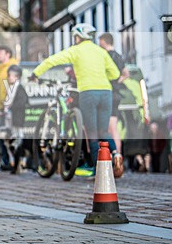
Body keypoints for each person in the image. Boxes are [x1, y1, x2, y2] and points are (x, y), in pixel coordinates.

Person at [31, 23, 122, 177]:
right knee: (103, 131)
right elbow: (115, 74)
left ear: (78, 37)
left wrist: (35, 74)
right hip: (106, 92)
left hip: (88, 92)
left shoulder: (75, 51)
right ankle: (116, 154)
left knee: (92, 132)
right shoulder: (101, 52)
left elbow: (51, 61)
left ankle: (97, 169)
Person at [99, 33, 125, 156]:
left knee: (105, 129)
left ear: (104, 41)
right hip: (116, 94)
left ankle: (109, 157)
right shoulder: (119, 56)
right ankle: (118, 156)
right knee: (113, 128)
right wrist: (117, 82)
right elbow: (126, 73)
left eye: (100, 41)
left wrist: (110, 82)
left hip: (107, 93)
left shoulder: (105, 56)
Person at [0, 44, 19, 170]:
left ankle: (11, 162)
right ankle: (5, 161)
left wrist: (7, 106)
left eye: (0, 52)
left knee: (8, 136)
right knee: (1, 136)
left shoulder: (12, 68)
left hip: (8, 109)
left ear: (7, 54)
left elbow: (12, 90)